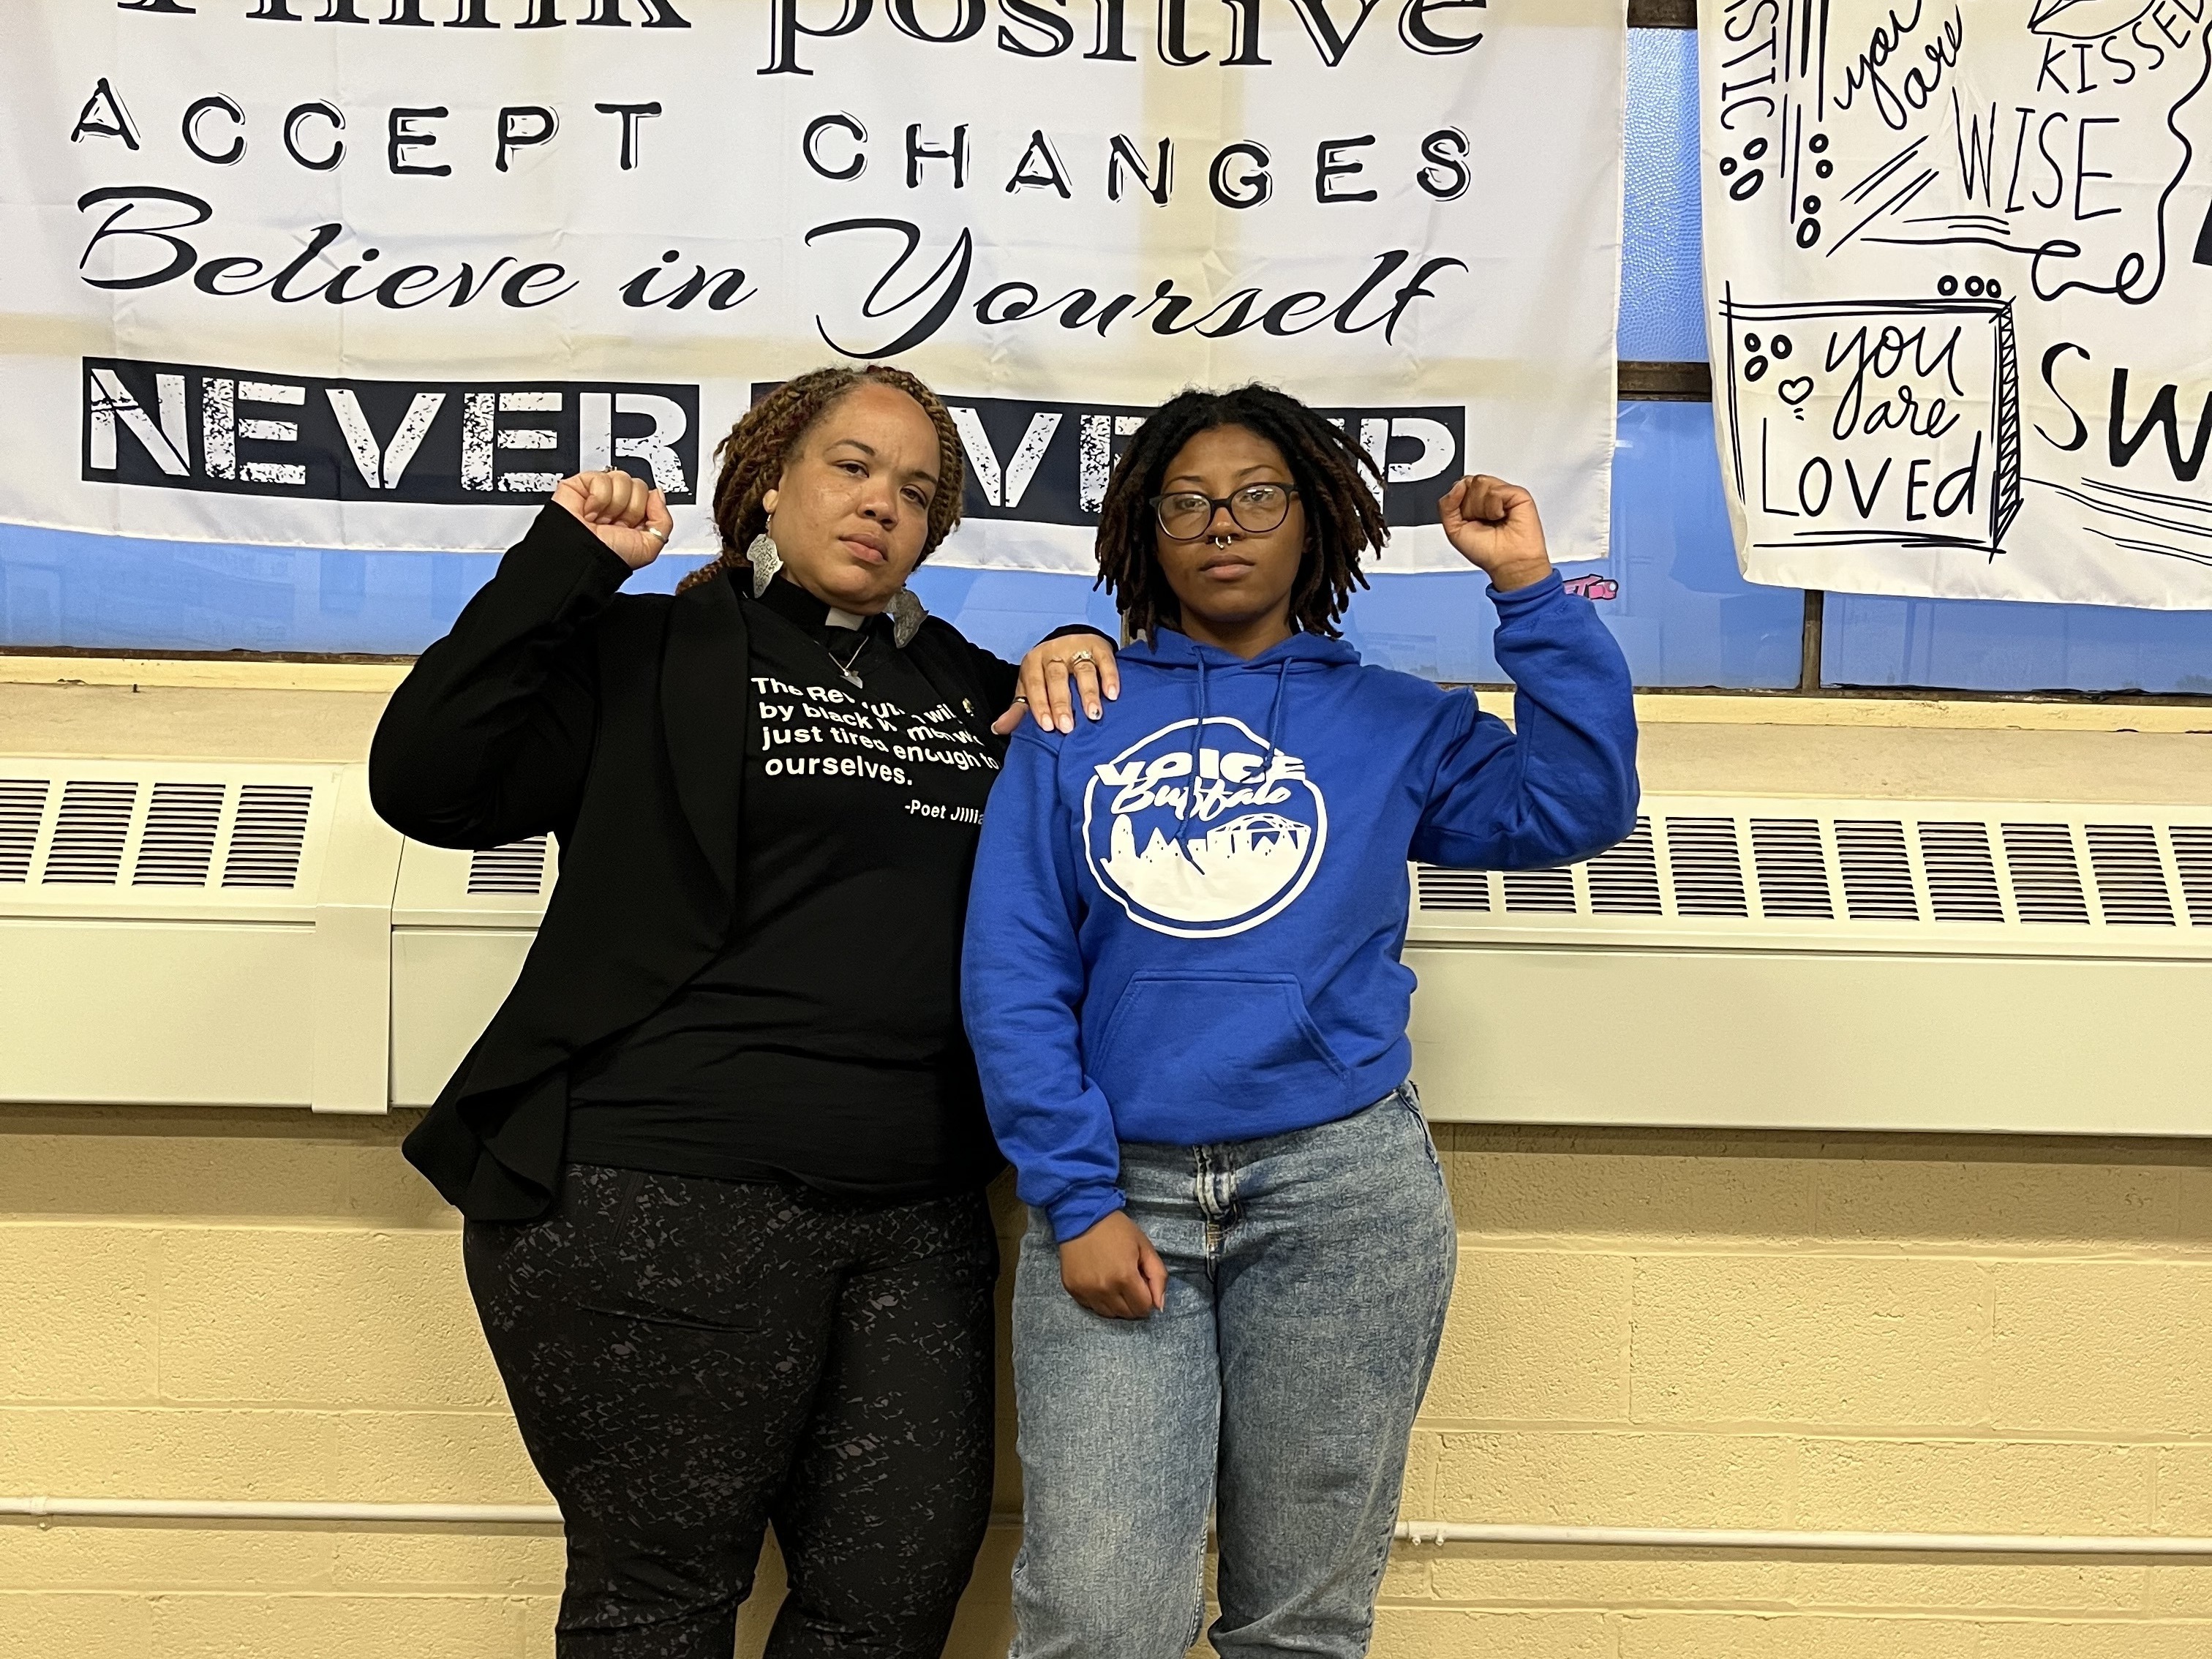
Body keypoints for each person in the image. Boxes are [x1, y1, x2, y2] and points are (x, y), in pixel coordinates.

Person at [369, 364, 1121, 1659]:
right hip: (656, 1183)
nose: (883, 502)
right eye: (850, 465)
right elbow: (430, 786)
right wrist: (561, 570)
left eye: (918, 490)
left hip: (916, 1210)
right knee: (660, 1602)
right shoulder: (648, 650)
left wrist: (1088, 653)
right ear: (770, 478)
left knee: (891, 1599)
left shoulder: (977, 690)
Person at [960, 383, 1639, 1658]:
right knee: (1101, 1621)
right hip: (1119, 1197)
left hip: (1342, 1194)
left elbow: (1576, 807)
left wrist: (1533, 595)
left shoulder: (1399, 721)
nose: (1225, 525)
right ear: (1146, 531)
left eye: (1260, 497)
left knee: (1301, 1623)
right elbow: (1014, 971)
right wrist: (1075, 1194)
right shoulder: (1072, 717)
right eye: (1189, 502)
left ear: (1314, 526)